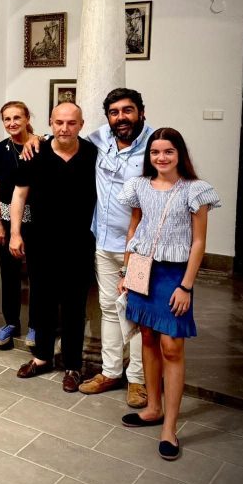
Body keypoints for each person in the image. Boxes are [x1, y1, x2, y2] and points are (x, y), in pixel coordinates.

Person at [117, 128, 220, 461]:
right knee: (147, 338)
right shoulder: (139, 186)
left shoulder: (195, 190)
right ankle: (153, 408)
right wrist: (126, 271)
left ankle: (170, 428)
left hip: (174, 275)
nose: (161, 158)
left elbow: (199, 242)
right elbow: (134, 228)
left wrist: (186, 286)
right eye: (155, 152)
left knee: (172, 347)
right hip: (142, 268)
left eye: (168, 152)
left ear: (179, 155)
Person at [11, 103, 97, 393]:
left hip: (80, 243)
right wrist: (15, 233)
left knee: (74, 305)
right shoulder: (35, 153)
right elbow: (19, 195)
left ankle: (73, 365)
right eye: (59, 122)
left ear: (81, 124)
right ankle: (42, 357)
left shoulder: (93, 154)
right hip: (41, 241)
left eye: (71, 123)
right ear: (50, 122)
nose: (64, 128)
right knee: (42, 301)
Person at [78, 88, 155, 407]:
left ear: (141, 112)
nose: (121, 117)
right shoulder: (100, 139)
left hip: (139, 247)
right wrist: (34, 140)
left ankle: (137, 379)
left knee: (136, 311)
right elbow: (63, 138)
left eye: (127, 110)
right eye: (114, 112)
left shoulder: (155, 145)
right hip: (104, 241)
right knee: (109, 308)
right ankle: (110, 372)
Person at [0, 101, 37, 350]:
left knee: (38, 275)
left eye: (17, 117)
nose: (12, 123)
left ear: (27, 118)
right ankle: (11, 323)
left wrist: (38, 138)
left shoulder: (39, 146)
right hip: (6, 219)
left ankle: (37, 325)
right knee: (9, 274)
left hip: (37, 221)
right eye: (7, 119)